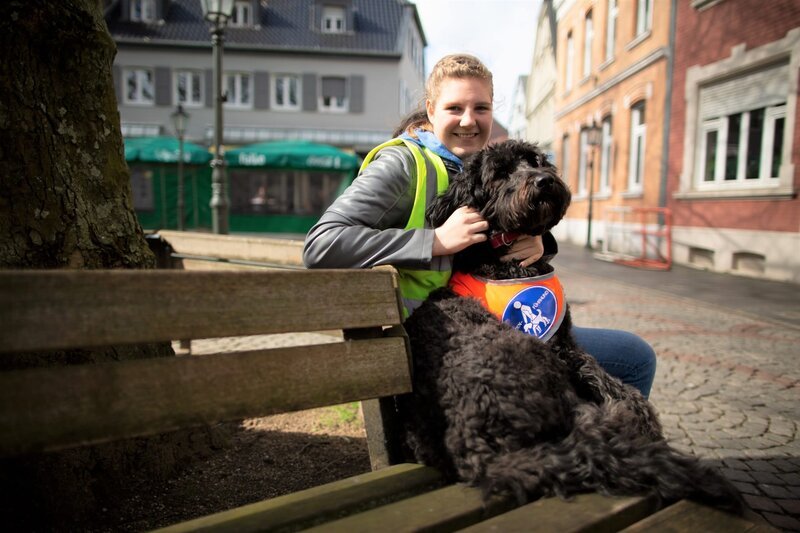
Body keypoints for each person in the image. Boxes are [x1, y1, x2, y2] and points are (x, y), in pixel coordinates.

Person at [303, 54, 656, 398]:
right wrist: (434, 241)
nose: (469, 121)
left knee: (634, 355)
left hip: (492, 322)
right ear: (430, 110)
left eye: (481, 108)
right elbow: (321, 244)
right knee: (627, 362)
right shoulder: (402, 166)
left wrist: (540, 240)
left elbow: (499, 227)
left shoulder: (472, 164)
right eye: (454, 108)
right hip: (429, 341)